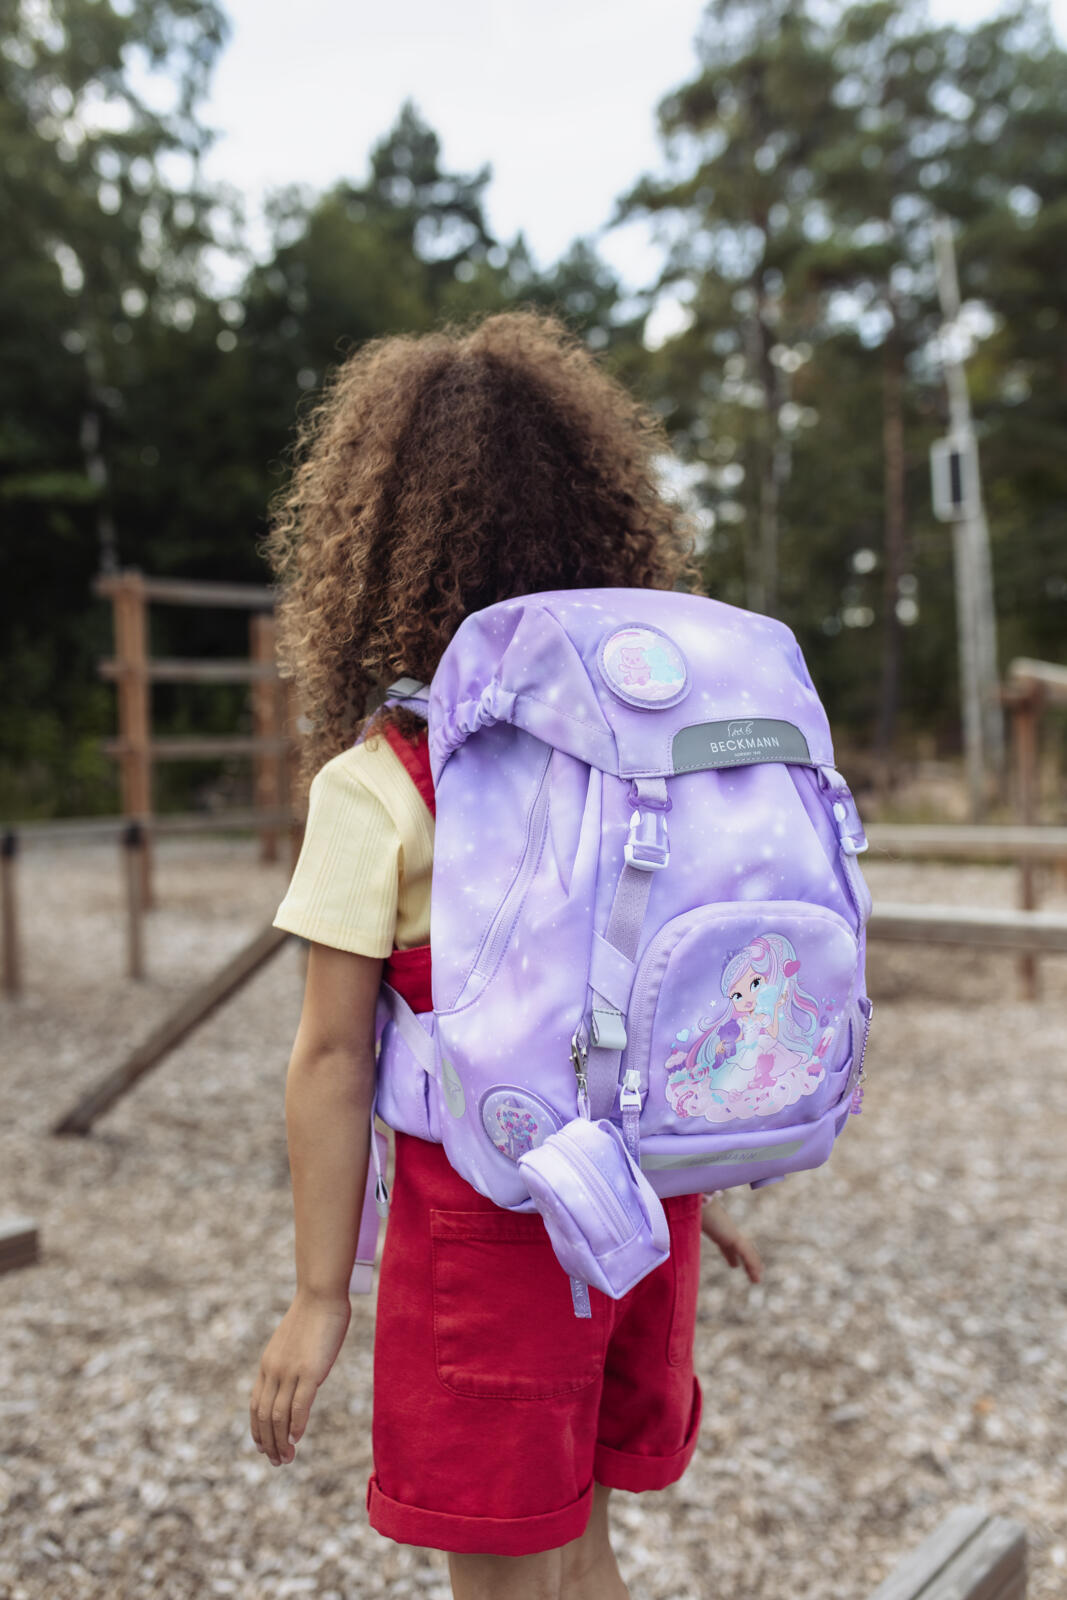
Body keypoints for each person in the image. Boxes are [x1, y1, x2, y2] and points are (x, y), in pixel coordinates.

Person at [249, 311, 763, 1600]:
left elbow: (328, 1056)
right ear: (600, 534)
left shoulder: (382, 786)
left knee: (498, 1572)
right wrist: (711, 1150)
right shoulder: (642, 770)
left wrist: (321, 1295)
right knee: (582, 1536)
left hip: (485, 1224)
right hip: (641, 1209)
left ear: (372, 552)